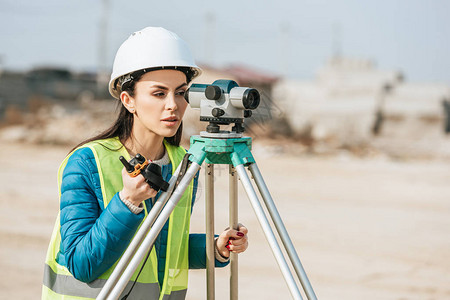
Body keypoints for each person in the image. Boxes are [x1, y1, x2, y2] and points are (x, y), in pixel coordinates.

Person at [42, 27, 249, 300]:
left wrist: (215, 248)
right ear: (129, 100)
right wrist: (127, 202)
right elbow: (82, 264)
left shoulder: (184, 164)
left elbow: (161, 247)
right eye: (159, 93)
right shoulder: (87, 162)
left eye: (181, 92)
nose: (173, 105)